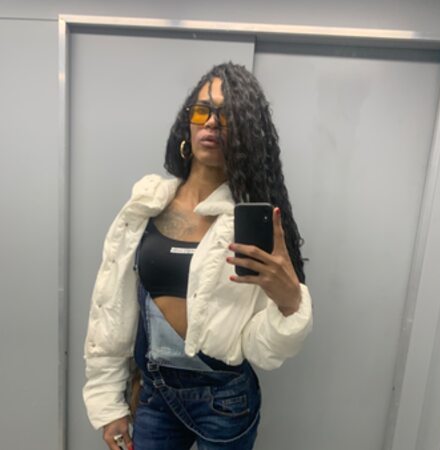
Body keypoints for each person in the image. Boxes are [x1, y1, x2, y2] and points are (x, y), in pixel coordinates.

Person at [83, 62, 313, 450]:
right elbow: (111, 309)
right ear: (186, 123)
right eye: (203, 110)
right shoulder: (146, 204)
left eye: (228, 116)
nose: (211, 123)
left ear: (248, 133)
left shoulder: (252, 223)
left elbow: (261, 350)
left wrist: (290, 304)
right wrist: (107, 401)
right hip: (154, 393)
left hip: (225, 400)